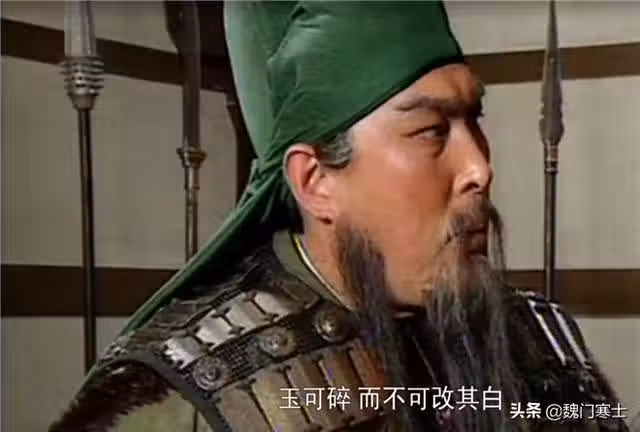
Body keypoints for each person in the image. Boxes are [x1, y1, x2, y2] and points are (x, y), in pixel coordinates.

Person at [50, 2, 629, 431]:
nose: (479, 166)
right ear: (316, 181)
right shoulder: (185, 402)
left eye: (473, 120)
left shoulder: (541, 344)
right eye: (432, 131)